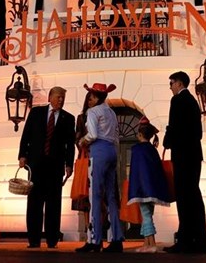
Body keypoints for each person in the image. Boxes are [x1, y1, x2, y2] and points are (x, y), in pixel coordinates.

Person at [18, 86, 75, 249]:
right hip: (36, 165)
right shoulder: (36, 113)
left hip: (55, 167)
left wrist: (69, 165)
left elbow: (70, 145)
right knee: (34, 203)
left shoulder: (68, 119)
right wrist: (22, 155)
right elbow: (26, 135)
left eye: (63, 98)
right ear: (50, 97)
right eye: (58, 97)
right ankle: (34, 240)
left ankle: (52, 240)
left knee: (53, 204)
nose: (60, 100)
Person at [162, 71, 206, 254]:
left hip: (182, 156)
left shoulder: (178, 101)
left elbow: (174, 126)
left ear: (179, 83)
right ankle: (199, 241)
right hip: (194, 155)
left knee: (184, 198)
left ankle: (185, 241)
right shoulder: (193, 102)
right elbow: (197, 132)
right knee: (194, 197)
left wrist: (167, 142)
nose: (170, 87)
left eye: (171, 83)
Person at [76, 82, 124, 253]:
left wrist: (82, 141)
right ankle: (117, 239)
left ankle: (95, 240)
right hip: (112, 151)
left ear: (97, 97)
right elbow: (116, 137)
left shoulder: (93, 112)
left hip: (99, 151)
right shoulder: (111, 112)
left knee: (94, 195)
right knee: (111, 196)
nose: (90, 99)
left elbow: (93, 135)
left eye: (92, 96)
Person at [127, 117, 172, 253]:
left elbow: (136, 171)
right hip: (152, 188)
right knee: (148, 214)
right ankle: (146, 243)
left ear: (140, 134)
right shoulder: (152, 150)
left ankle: (151, 243)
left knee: (145, 215)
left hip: (141, 188)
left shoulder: (137, 149)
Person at [71, 92, 97, 222]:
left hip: (98, 154)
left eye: (93, 99)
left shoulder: (101, 115)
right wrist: (83, 143)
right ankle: (88, 225)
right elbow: (77, 137)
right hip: (85, 156)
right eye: (89, 100)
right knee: (84, 191)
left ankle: (101, 224)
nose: (90, 102)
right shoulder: (81, 118)